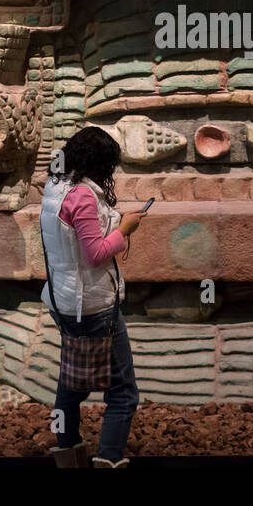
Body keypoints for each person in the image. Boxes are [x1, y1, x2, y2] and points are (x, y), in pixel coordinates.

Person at [40, 126, 146, 468]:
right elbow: (96, 254)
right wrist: (125, 230)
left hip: (64, 302)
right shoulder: (83, 195)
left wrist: (114, 218)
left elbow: (77, 232)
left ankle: (68, 453)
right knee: (122, 393)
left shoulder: (55, 186)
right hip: (95, 307)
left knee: (71, 385)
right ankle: (109, 459)